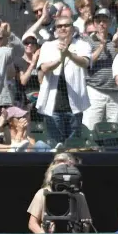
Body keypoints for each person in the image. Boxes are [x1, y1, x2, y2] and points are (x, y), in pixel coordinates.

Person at [36, 16, 91, 144]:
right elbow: (44, 67)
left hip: (75, 106)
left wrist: (69, 54)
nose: (63, 28)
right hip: (53, 106)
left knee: (74, 146)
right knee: (55, 146)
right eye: (59, 26)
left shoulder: (83, 45)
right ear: (55, 29)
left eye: (66, 25)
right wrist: (60, 58)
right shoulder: (47, 46)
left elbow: (85, 63)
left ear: (73, 28)